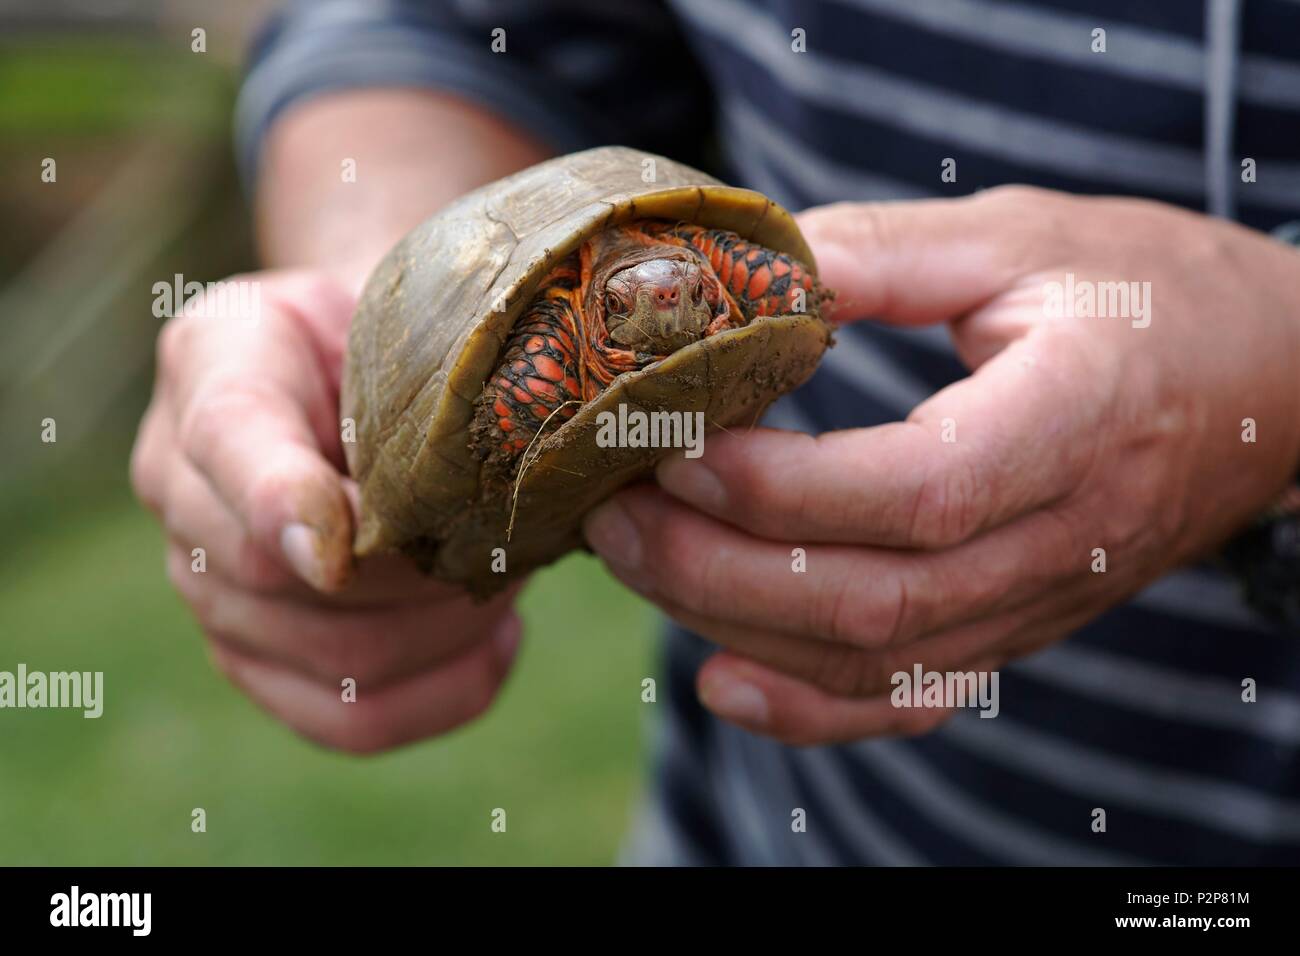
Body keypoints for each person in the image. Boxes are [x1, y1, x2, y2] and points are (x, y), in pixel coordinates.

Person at [131, 0, 1300, 864]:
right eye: (632, 301)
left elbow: (759, 278)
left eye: (681, 286)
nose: (667, 305)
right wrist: (379, 309)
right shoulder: (577, 329)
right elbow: (436, 28)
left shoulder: (713, 278)